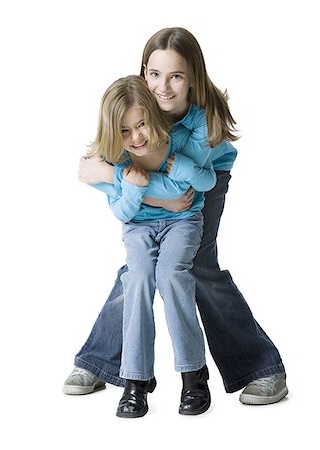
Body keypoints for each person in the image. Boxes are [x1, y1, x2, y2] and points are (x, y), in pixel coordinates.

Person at [63, 27, 288, 406]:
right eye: (154, 74)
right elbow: (100, 162)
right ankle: (102, 361)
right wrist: (117, 177)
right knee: (140, 269)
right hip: (163, 194)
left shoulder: (204, 118)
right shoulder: (135, 102)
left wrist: (114, 177)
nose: (163, 88)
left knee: (194, 265)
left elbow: (187, 189)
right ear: (143, 72)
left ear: (192, 78)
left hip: (205, 180)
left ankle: (261, 367)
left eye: (176, 76)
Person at [86, 74, 216, 417]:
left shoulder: (175, 142)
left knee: (172, 275)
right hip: (138, 230)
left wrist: (135, 185)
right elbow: (122, 211)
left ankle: (194, 375)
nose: (137, 137)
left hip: (183, 222)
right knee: (139, 278)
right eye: (126, 131)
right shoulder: (116, 157)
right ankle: (135, 380)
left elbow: (187, 193)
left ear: (152, 117)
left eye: (141, 124)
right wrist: (130, 185)